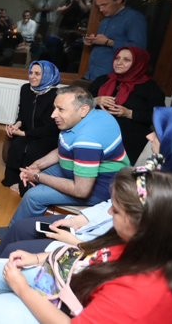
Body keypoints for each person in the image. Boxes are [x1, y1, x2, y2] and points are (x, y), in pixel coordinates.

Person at [0, 105, 172, 303]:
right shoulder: (157, 169)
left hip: (92, 247)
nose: (149, 136)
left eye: (158, 134)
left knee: (16, 248)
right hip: (92, 227)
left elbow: (126, 252)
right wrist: (81, 219)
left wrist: (78, 242)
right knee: (22, 227)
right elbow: (113, 206)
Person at [0, 168, 172, 324]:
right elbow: (88, 253)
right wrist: (39, 258)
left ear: (143, 224)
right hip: (68, 289)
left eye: (116, 210)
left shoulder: (140, 294)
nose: (109, 213)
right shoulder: (139, 243)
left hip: (67, 310)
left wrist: (22, 290)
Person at [9, 86, 129, 225]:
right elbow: (65, 148)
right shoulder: (97, 115)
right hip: (77, 170)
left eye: (61, 109)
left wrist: (37, 176)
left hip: (100, 188)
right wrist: (36, 166)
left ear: (83, 110)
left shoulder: (87, 140)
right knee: (33, 178)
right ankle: (29, 225)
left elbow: (81, 191)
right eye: (55, 108)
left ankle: (16, 231)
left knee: (33, 196)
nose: (53, 115)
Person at [89, 47, 165, 161]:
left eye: (126, 60)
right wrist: (96, 100)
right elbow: (78, 104)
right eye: (117, 58)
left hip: (127, 142)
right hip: (94, 134)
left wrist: (129, 113)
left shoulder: (150, 88)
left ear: (138, 64)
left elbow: (158, 117)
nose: (119, 63)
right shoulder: (103, 80)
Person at [2, 61, 61, 195]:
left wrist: (24, 133)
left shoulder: (56, 95)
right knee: (16, 146)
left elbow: (51, 128)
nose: (32, 76)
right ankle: (11, 180)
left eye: (37, 74)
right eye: (30, 72)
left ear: (47, 76)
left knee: (32, 150)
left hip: (47, 136)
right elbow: (22, 114)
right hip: (26, 131)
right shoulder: (25, 89)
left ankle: (25, 186)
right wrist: (16, 125)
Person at [84, 0, 147, 80]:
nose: (101, 9)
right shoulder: (105, 20)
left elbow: (138, 49)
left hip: (112, 78)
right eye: (99, 6)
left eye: (104, 5)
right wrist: (93, 40)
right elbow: (103, 42)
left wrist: (108, 42)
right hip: (93, 74)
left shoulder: (134, 18)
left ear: (118, 0)